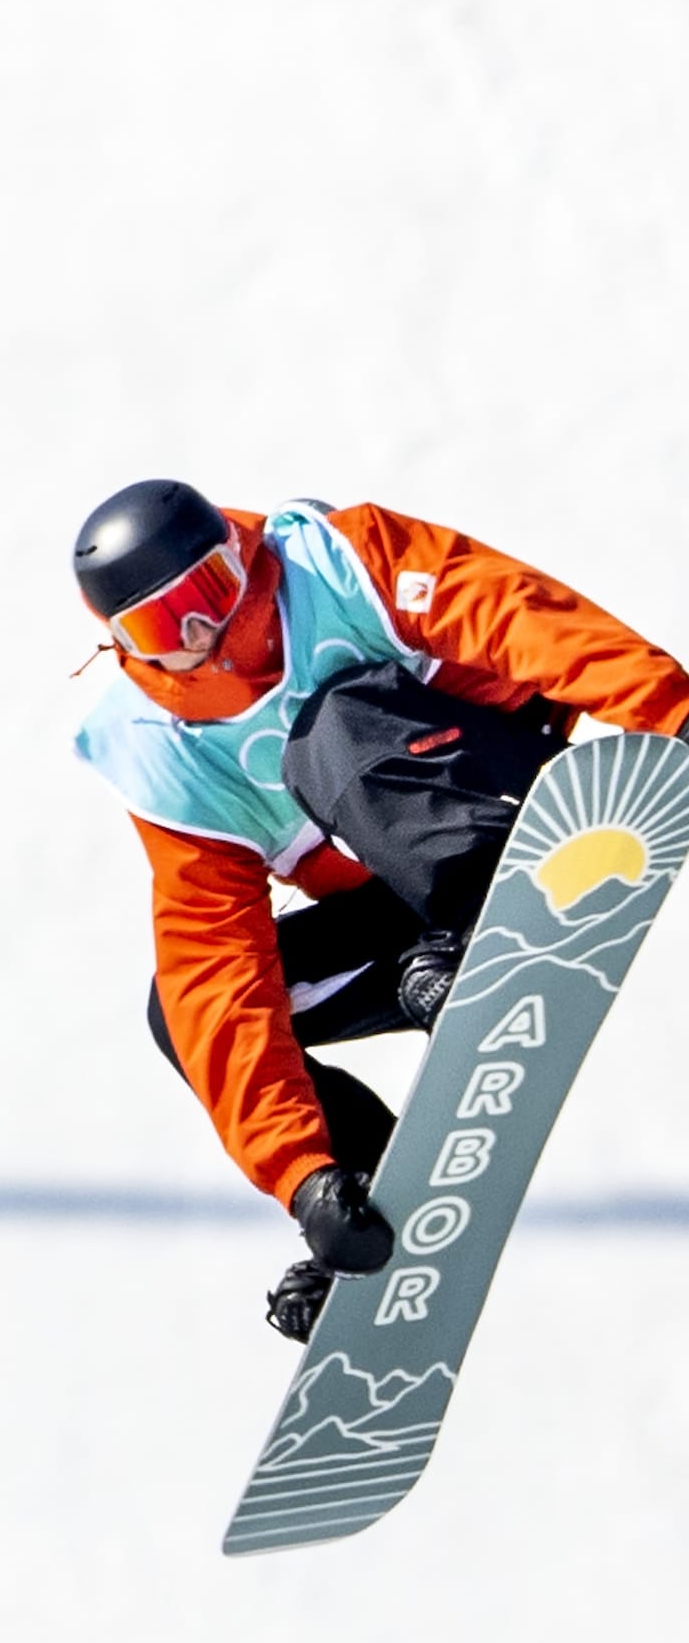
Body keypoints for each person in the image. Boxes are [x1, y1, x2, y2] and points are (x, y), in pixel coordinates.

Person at [69, 482, 689, 1339]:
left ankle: (480, 925)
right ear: (122, 646)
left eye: (205, 597)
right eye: (158, 629)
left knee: (332, 728)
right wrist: (304, 1177)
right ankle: (377, 1194)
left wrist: (671, 717)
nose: (197, 637)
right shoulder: (164, 752)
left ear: (237, 560)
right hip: (411, 922)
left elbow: (516, 616)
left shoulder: (338, 566)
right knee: (181, 1016)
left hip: (508, 814)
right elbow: (213, 967)